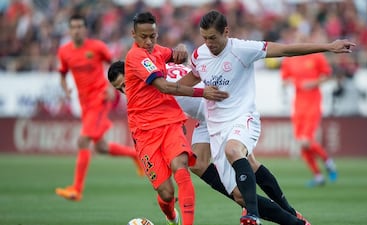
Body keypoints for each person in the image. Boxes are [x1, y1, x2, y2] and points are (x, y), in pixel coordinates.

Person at [177, 10, 355, 225]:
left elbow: (286, 50)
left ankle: (252, 216)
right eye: (204, 38)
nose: (209, 43)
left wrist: (328, 46)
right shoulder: (199, 55)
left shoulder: (242, 49)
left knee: (233, 150)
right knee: (241, 191)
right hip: (216, 128)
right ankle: (296, 220)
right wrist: (159, 90)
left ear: (226, 31)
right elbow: (186, 83)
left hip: (243, 118)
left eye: (213, 38)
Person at [108, 60, 311, 225]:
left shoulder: (152, 84)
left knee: (244, 180)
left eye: (125, 83)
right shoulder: (155, 66)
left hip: (218, 109)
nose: (126, 91)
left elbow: (170, 96)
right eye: (121, 89)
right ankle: (276, 209)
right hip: (205, 113)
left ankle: (290, 218)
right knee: (199, 162)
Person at [124, 12, 229, 225]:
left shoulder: (158, 51)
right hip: (144, 131)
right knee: (166, 193)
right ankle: (171, 215)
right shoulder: (135, 57)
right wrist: (203, 92)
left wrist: (181, 49)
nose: (149, 42)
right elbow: (163, 86)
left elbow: (176, 54)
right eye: (143, 37)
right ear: (133, 34)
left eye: (153, 36)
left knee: (182, 168)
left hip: (170, 122)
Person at [54, 14, 143, 202]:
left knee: (83, 141)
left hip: (100, 98)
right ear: (69, 30)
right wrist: (65, 89)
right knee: (101, 147)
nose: (77, 30)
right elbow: (62, 73)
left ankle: (76, 189)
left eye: (80, 26)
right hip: (84, 103)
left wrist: (112, 88)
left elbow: (115, 65)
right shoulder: (64, 52)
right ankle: (135, 155)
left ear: (85, 29)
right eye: (73, 27)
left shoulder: (96, 47)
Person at [280, 33, 338, 187]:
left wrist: (314, 83)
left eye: (303, 39)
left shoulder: (316, 56)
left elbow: (327, 75)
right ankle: (318, 176)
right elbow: (284, 79)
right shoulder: (289, 59)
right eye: (298, 39)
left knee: (306, 141)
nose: (300, 42)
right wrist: (291, 81)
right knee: (301, 143)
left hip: (313, 103)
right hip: (298, 105)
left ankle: (328, 161)